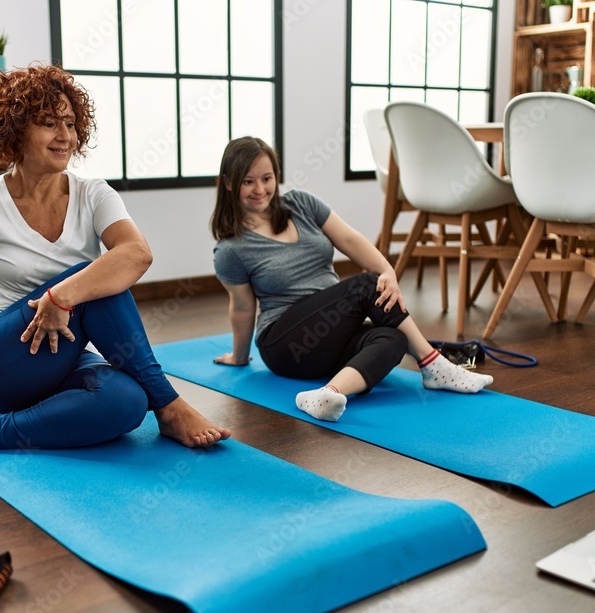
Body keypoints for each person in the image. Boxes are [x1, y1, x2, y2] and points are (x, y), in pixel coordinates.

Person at [0, 65, 230, 460]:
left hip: (62, 355)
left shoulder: (93, 194)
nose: (65, 136)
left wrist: (60, 298)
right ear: (15, 129)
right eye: (48, 123)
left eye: (71, 124)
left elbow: (137, 254)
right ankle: (170, 406)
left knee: (127, 402)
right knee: (98, 284)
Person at [210, 137, 492, 423]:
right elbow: (243, 307)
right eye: (248, 182)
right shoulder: (231, 248)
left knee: (394, 338)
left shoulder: (302, 204)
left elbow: (349, 239)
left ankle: (327, 394)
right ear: (230, 183)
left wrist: (388, 272)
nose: (260, 189)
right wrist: (239, 356)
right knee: (366, 284)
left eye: (267, 178)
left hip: (330, 334)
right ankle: (434, 364)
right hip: (286, 346)